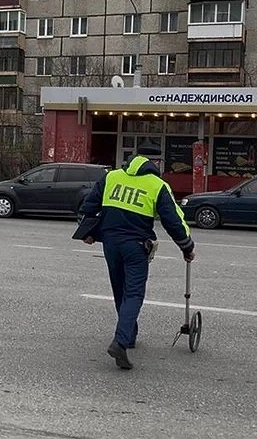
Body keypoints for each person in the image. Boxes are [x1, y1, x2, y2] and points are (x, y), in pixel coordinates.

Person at [78, 155, 196, 370]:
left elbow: (89, 206)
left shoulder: (111, 177)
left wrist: (88, 232)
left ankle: (129, 335)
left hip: (110, 243)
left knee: (120, 290)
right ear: (154, 168)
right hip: (136, 246)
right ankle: (120, 341)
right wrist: (186, 246)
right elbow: (173, 220)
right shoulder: (157, 185)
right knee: (133, 293)